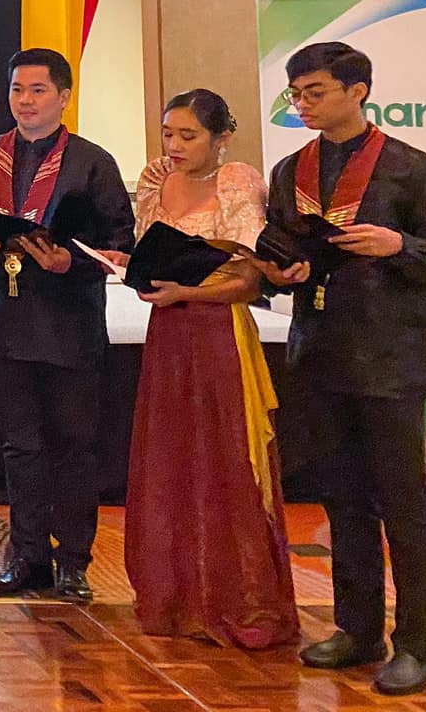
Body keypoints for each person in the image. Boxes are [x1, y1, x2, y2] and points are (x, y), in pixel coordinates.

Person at [256, 42, 426, 697]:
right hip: (320, 353)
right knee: (342, 500)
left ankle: (417, 647)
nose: (303, 104)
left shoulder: (409, 169)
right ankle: (358, 629)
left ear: (358, 91)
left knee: (403, 504)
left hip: (390, 359)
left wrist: (397, 244)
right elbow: (283, 255)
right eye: (296, 94)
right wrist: (281, 271)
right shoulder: (291, 170)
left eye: (315, 92)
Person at [0, 48, 132, 604]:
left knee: (73, 447)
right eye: (16, 89)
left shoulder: (92, 162)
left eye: (37, 90)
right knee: (20, 446)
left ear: (63, 97)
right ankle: (27, 559)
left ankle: (73, 562)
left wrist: (69, 261)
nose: (25, 101)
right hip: (4, 317)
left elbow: (118, 243)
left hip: (68, 322)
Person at [123, 88, 297, 649]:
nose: (174, 145)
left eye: (188, 135)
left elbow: (249, 280)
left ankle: (239, 598)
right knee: (171, 458)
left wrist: (188, 292)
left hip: (220, 333)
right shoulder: (156, 182)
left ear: (221, 138)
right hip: (168, 334)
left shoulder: (238, 182)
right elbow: (146, 258)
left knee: (226, 459)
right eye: (168, 134)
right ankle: (175, 595)